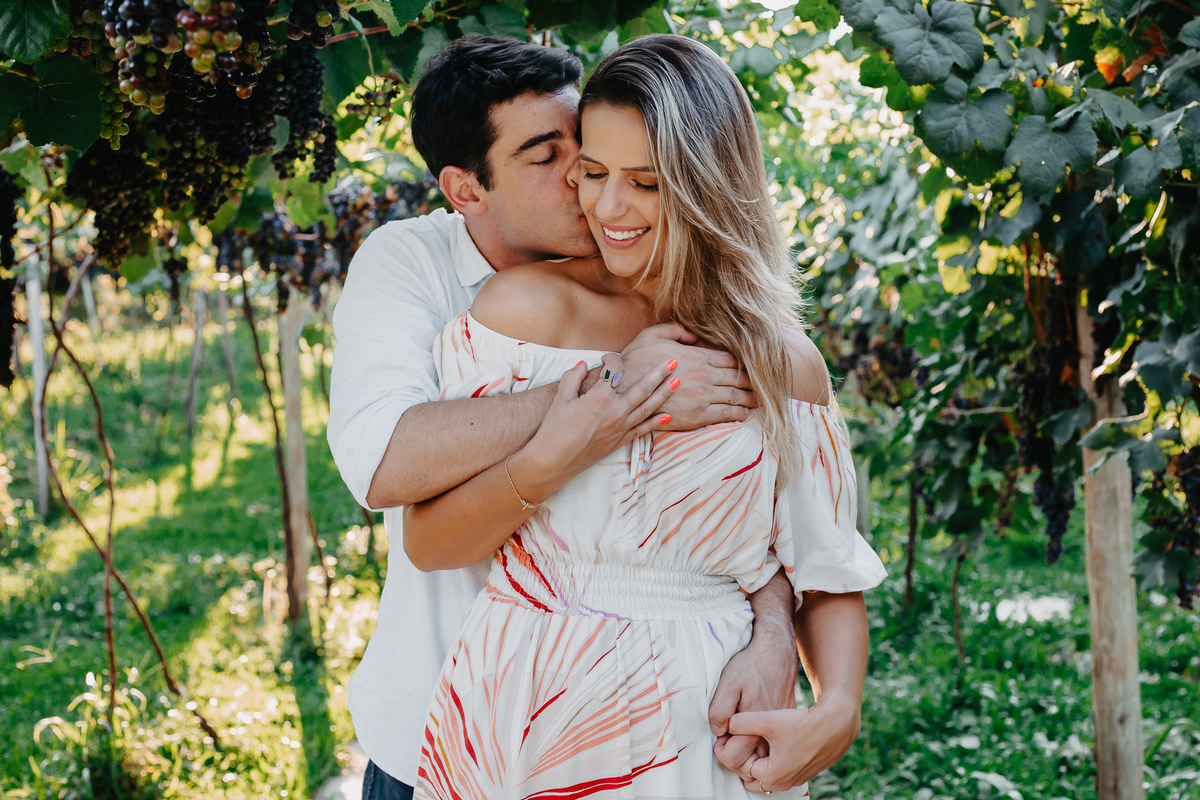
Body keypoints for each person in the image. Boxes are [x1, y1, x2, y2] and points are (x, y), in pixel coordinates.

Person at [328, 36, 867, 800]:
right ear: (466, 188)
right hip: (508, 715)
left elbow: (820, 558)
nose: (602, 203)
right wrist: (615, 393)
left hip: (707, 731)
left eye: (641, 179)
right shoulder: (493, 301)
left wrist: (832, 703)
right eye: (583, 168)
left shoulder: (781, 358)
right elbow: (400, 490)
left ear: (706, 182)